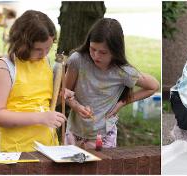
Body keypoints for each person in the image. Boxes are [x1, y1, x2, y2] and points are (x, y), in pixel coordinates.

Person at [64, 18, 159, 149]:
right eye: (92, 49)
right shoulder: (77, 60)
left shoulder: (122, 71)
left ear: (115, 51)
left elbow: (153, 86)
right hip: (74, 134)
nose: (96, 56)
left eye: (103, 52)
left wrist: (122, 103)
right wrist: (76, 106)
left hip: (104, 136)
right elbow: (64, 93)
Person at [0, 10, 65, 154]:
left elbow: (40, 102)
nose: (44, 53)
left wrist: (59, 98)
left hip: (45, 147)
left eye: (48, 48)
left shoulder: (44, 61)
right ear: (22, 43)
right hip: (12, 152)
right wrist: (41, 118)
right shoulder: (6, 67)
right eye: (38, 49)